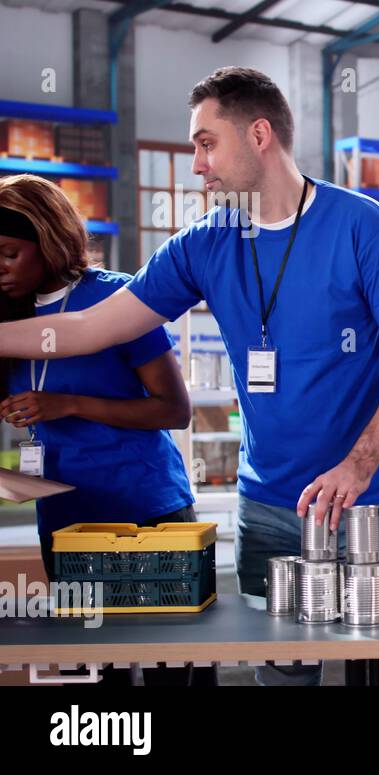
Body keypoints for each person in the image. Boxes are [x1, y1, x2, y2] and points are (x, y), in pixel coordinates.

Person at [0, 68, 379, 686]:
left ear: (259, 134)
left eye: (206, 144)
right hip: (269, 506)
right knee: (284, 674)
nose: (196, 165)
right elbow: (89, 328)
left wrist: (359, 465)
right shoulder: (204, 243)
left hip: (372, 500)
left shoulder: (362, 226)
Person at [0, 173, 208, 686]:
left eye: (8, 253)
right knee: (96, 675)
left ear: (46, 238)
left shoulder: (118, 300)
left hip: (147, 511)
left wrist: (67, 404)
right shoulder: (8, 319)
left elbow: (173, 409)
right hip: (68, 521)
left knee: (173, 668)